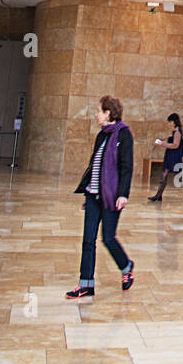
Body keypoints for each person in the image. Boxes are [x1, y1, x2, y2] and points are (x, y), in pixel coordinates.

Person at [66, 95, 134, 298]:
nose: (96, 114)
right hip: (93, 195)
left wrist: (123, 194)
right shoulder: (101, 136)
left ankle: (126, 266)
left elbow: (126, 167)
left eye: (99, 111)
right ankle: (86, 284)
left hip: (112, 195)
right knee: (88, 240)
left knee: (108, 238)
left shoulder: (123, 135)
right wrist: (88, 192)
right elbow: (94, 166)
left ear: (108, 113)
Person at [149, 112, 183, 202]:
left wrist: (163, 144)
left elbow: (175, 145)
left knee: (180, 176)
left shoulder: (177, 132)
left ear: (174, 122)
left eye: (170, 122)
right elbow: (169, 140)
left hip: (174, 156)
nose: (169, 123)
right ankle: (158, 195)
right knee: (164, 174)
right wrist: (161, 142)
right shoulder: (174, 131)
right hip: (169, 155)